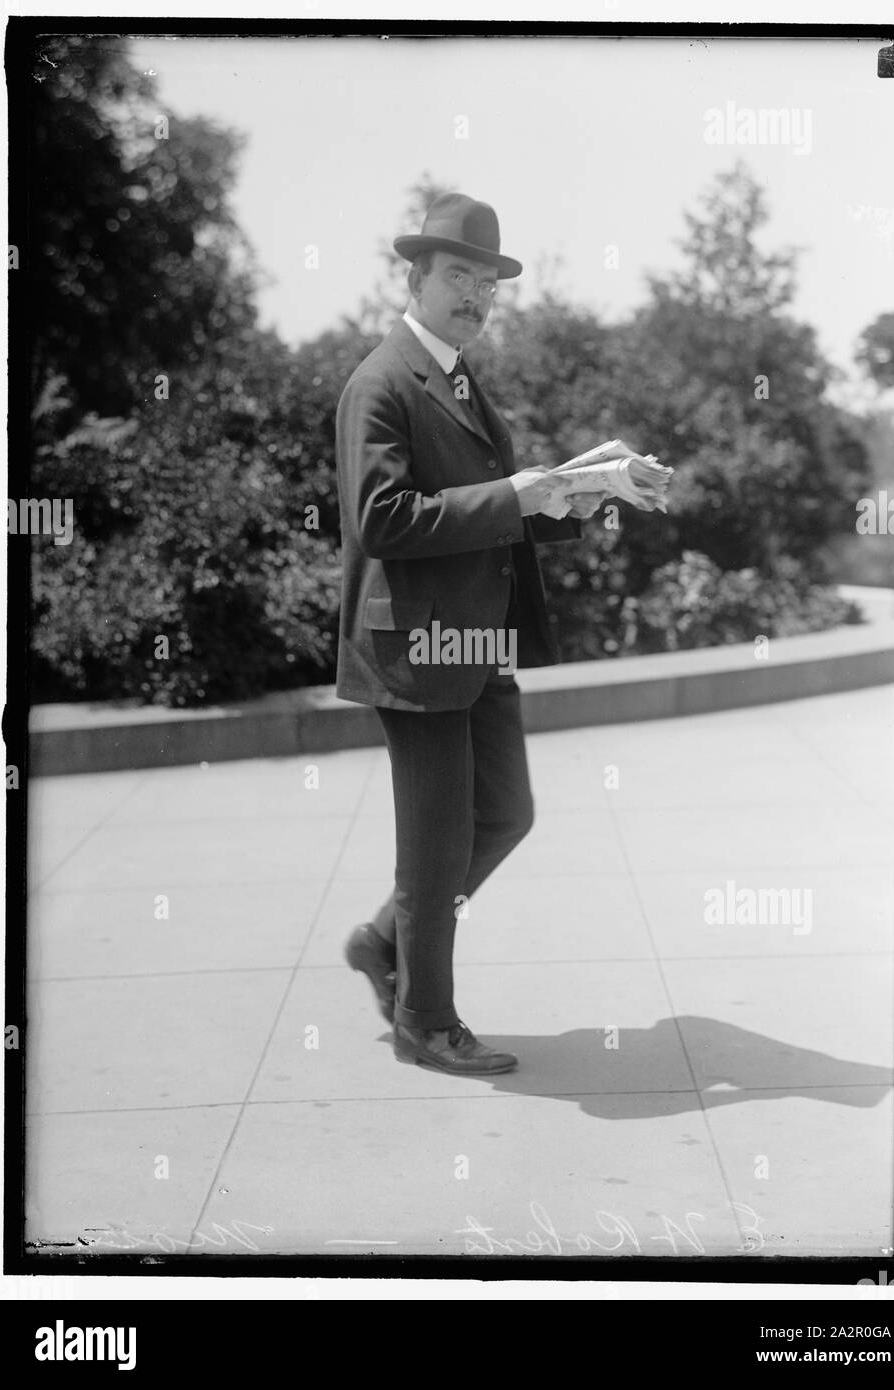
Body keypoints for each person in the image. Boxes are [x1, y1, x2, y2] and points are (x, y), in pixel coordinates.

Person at [335, 193, 602, 1075]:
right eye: (459, 277)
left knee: (506, 813)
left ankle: (383, 942)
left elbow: (493, 509)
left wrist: (584, 497)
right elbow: (384, 520)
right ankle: (427, 1023)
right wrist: (514, 495)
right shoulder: (381, 379)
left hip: (476, 644)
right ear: (416, 277)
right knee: (436, 845)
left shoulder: (455, 377)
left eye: (488, 283)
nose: (476, 296)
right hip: (414, 651)